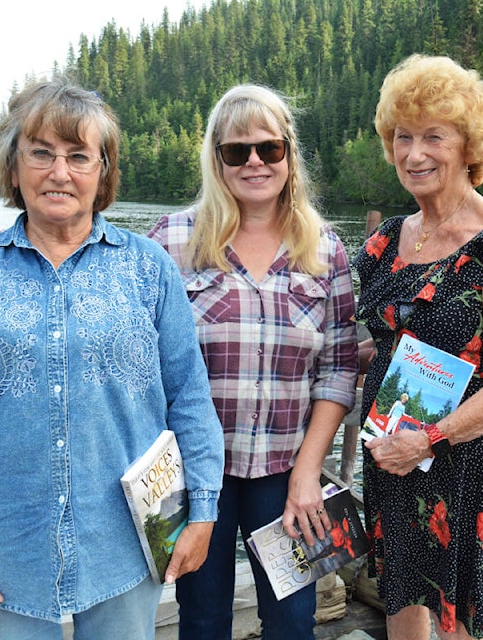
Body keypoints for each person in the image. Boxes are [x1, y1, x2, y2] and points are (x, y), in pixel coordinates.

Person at [0, 78, 224, 639]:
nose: (59, 172)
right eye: (41, 153)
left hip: (126, 548)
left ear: (103, 171)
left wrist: (203, 510)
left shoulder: (148, 271)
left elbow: (190, 398)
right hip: (3, 559)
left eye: (79, 156)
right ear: (14, 164)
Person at [354, 54, 483, 639]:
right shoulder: (388, 241)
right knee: (401, 601)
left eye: (433, 137)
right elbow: (386, 342)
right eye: (402, 137)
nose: (414, 154)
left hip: (460, 457)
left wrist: (429, 438)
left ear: (469, 147)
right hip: (394, 448)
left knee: (453, 620)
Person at [147, 84, 358, 639]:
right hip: (197, 477)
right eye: (237, 151)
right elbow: (101, 307)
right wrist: (18, 251)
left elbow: (338, 369)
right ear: (216, 160)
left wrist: (309, 474)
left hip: (287, 471)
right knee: (202, 618)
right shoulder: (169, 241)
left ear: (290, 154)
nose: (256, 162)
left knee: (293, 621)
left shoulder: (325, 248)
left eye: (270, 148)